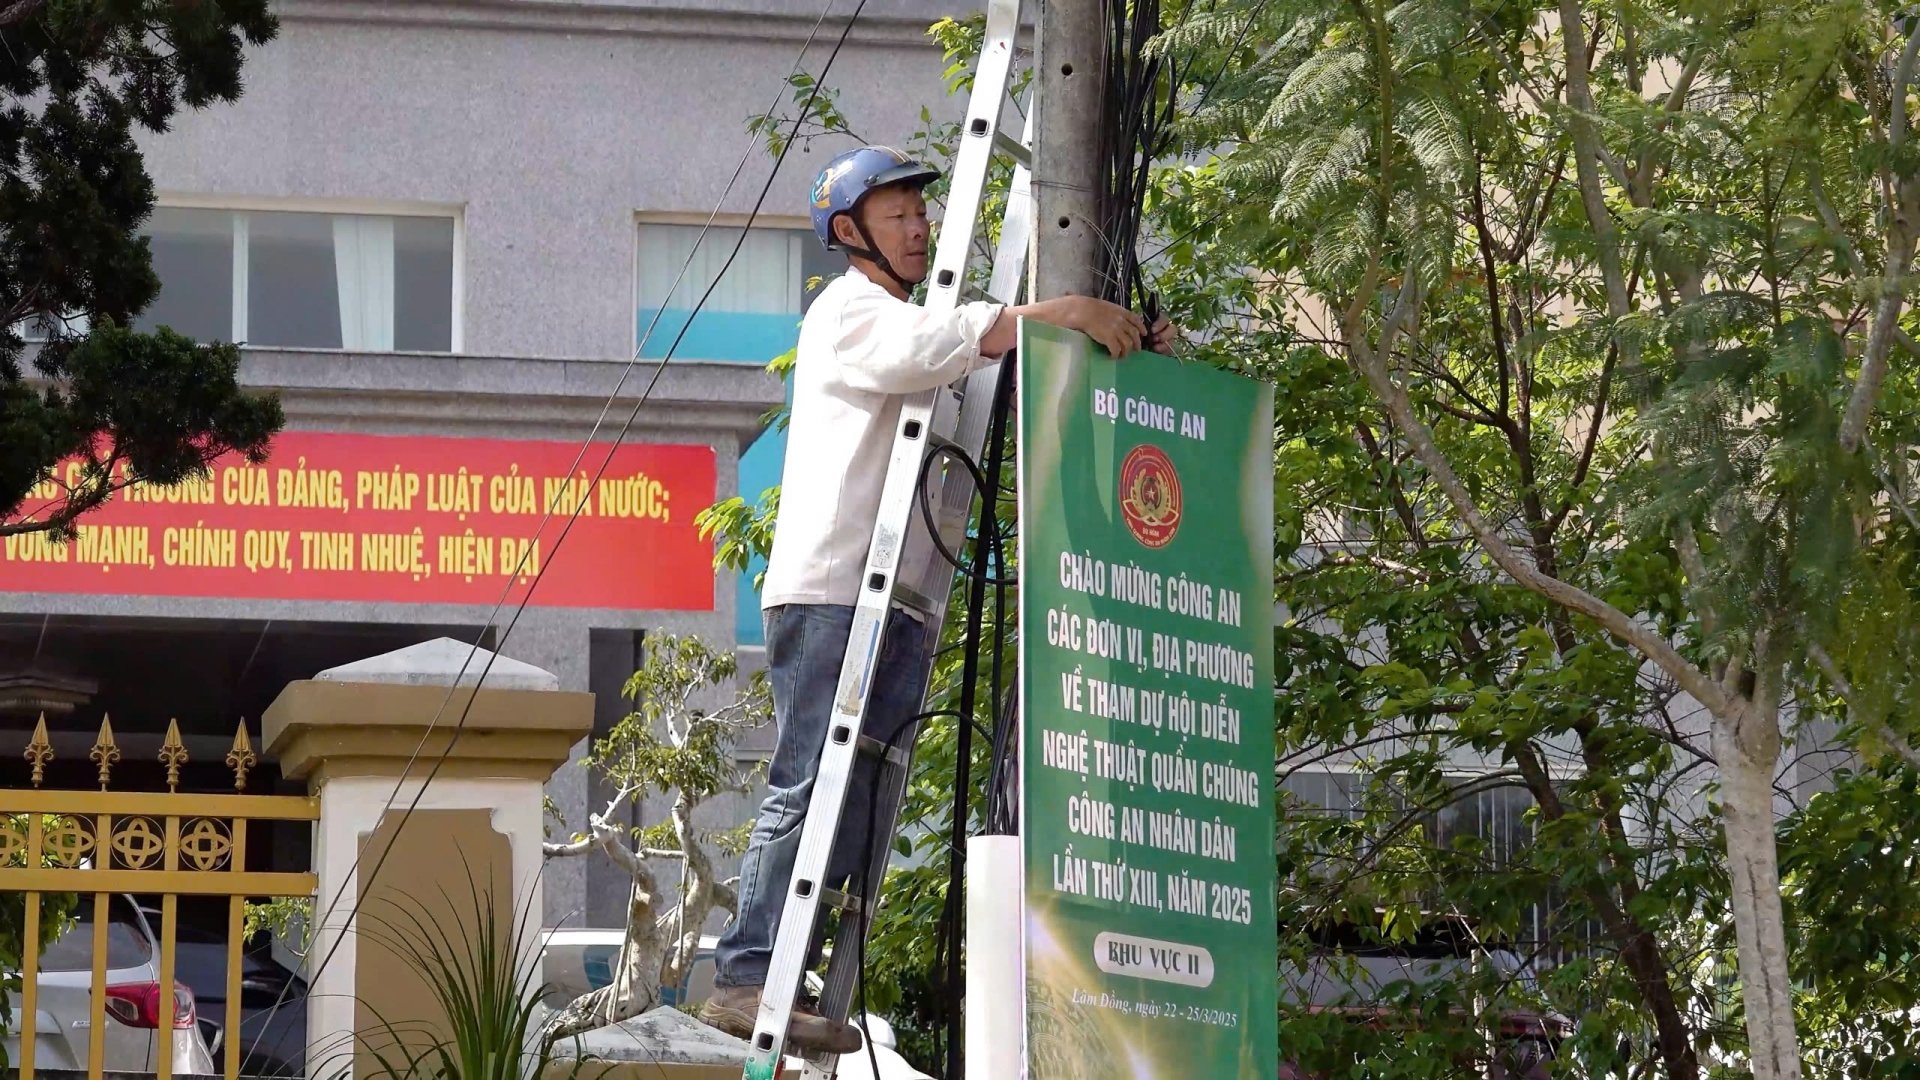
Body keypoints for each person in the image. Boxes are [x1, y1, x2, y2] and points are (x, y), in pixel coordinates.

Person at [700, 145, 1173, 1053]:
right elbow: (941, 343)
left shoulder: (924, 340)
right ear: (850, 234)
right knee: (812, 781)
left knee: (865, 798)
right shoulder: (848, 313)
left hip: (901, 600)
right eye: (899, 216)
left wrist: (1117, 345)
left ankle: (798, 976)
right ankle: (746, 973)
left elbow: (990, 388)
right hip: (836, 592)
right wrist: (1059, 308)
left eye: (923, 213)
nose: (919, 229)